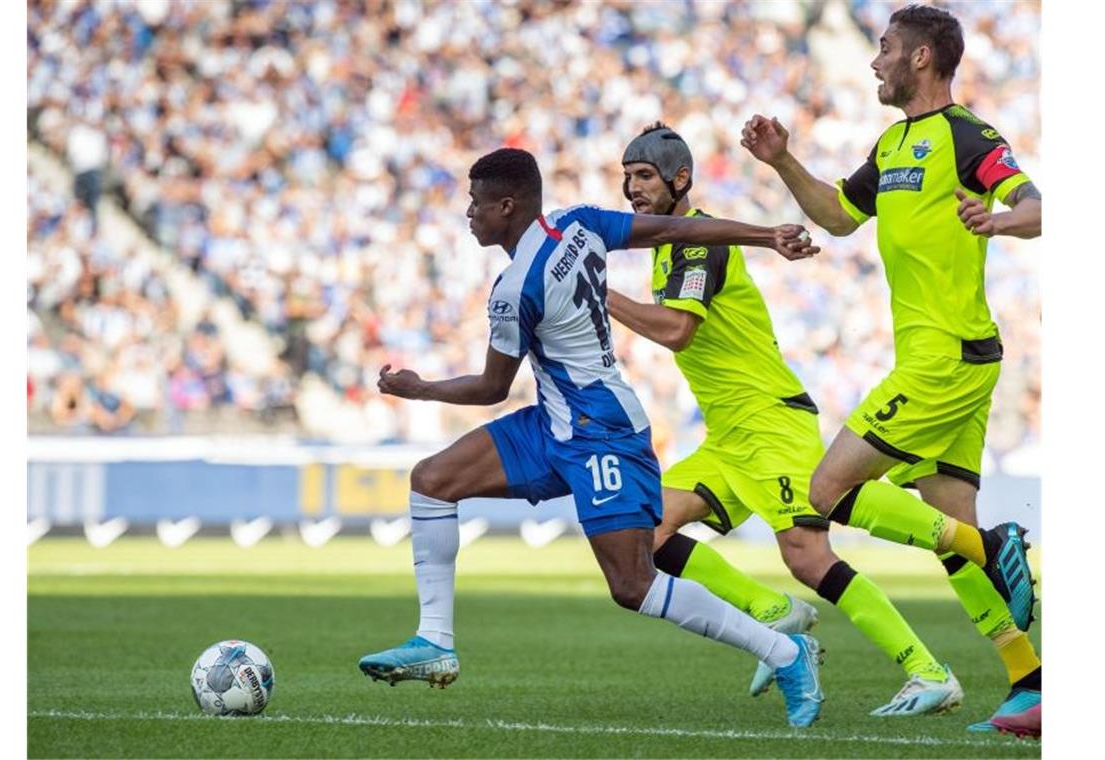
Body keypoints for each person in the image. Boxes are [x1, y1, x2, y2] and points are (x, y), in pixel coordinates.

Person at [359, 147, 827, 727]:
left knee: (633, 585)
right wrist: (766, 236)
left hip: (603, 432)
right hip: (552, 421)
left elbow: (490, 388)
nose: (468, 214)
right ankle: (434, 641)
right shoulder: (579, 224)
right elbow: (677, 229)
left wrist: (420, 388)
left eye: (475, 204)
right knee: (431, 481)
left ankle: (785, 651)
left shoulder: (515, 289)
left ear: (507, 206)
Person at [739, 4, 1041, 738]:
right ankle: (1032, 686)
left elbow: (1035, 206)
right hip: (942, 359)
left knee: (826, 489)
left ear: (922, 59)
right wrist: (782, 162)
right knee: (949, 533)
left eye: (884, 49)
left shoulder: (968, 135)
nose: (874, 62)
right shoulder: (893, 144)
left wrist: (996, 219)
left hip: (946, 360)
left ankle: (999, 545)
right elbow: (840, 217)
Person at [608, 121, 962, 717]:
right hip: (729, 434)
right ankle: (776, 615)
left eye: (643, 176)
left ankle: (928, 670)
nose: (632, 188)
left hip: (769, 421)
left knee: (806, 554)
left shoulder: (697, 242)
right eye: (626, 177)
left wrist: (600, 292)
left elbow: (677, 330)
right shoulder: (675, 242)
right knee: (649, 530)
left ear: (681, 179)